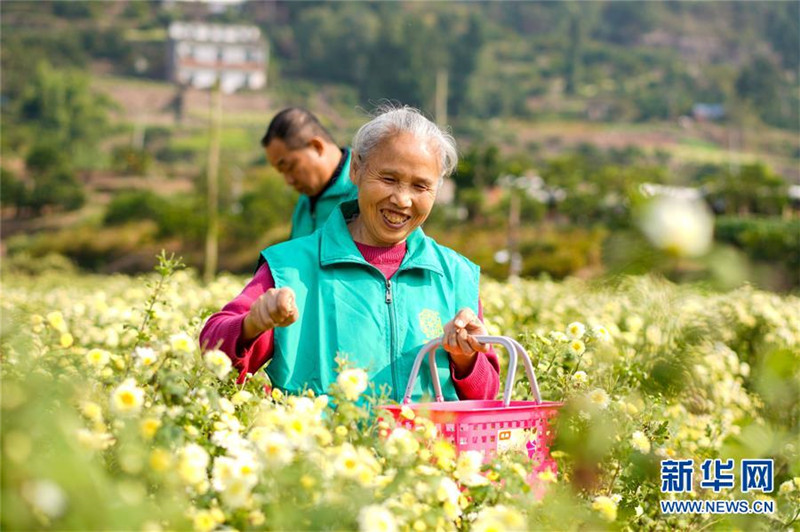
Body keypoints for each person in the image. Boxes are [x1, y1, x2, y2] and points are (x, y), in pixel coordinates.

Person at [201, 106, 499, 402]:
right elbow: (213, 352)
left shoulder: (455, 274)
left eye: (421, 186)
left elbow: (487, 395)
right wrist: (252, 324)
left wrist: (466, 359)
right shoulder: (290, 269)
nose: (402, 199)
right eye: (388, 179)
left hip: (428, 436)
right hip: (324, 436)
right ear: (356, 168)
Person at [261, 107, 358, 239]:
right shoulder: (305, 199)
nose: (289, 181)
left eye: (290, 167)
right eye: (281, 172)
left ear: (317, 147)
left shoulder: (362, 190)